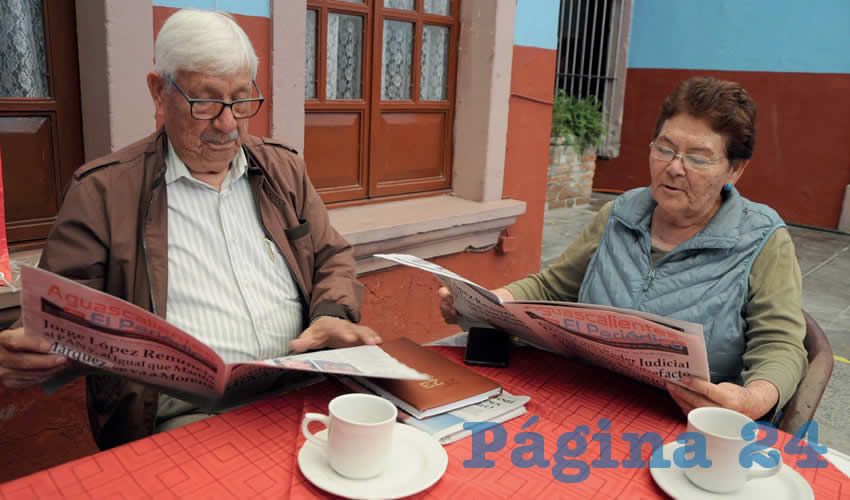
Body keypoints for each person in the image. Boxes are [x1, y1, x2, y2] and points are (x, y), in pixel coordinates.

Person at [0, 9, 380, 449]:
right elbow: (61, 320)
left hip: (297, 388)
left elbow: (331, 255)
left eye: (241, 101)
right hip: (183, 415)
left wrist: (331, 315)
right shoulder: (104, 191)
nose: (228, 123)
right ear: (159, 93)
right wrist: (30, 349)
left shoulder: (282, 169)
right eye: (205, 102)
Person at [439, 77, 807, 424]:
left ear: (735, 170)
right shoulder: (620, 214)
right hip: (583, 397)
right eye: (665, 148)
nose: (674, 168)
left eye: (697, 157)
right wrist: (485, 302)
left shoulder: (762, 240)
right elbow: (553, 288)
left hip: (678, 419)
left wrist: (752, 399)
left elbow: (781, 343)